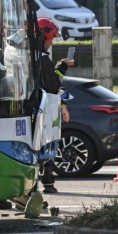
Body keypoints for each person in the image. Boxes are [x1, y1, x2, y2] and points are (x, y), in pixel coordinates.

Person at [36, 17, 75, 193]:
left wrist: (60, 67)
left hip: (36, 109)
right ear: (44, 37)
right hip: (42, 111)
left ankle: (46, 182)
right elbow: (53, 86)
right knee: (45, 146)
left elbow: (51, 82)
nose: (51, 43)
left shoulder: (27, 56)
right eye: (51, 38)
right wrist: (63, 66)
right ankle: (46, 182)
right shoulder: (42, 59)